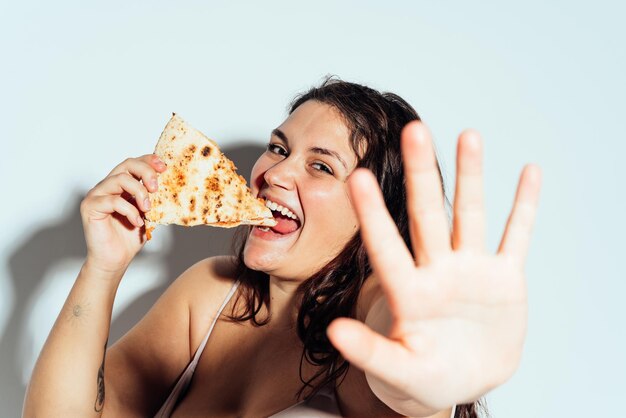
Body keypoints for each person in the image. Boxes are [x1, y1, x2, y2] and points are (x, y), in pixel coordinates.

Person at [22, 78, 542, 418]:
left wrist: (437, 374)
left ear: (376, 213)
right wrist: (104, 266)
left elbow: (405, 362)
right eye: (279, 148)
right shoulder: (211, 294)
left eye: (321, 165)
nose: (274, 173)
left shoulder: (373, 315)